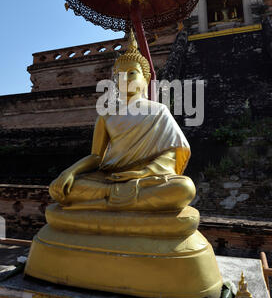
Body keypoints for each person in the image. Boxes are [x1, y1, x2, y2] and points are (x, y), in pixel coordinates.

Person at [49, 30, 196, 212]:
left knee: (184, 189)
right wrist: (69, 171)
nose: (124, 79)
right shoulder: (107, 114)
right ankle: (116, 197)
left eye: (132, 73)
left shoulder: (159, 111)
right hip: (110, 176)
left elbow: (174, 153)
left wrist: (144, 172)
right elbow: (96, 157)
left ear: (146, 78)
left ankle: (104, 201)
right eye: (118, 75)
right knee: (62, 188)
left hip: (146, 178)